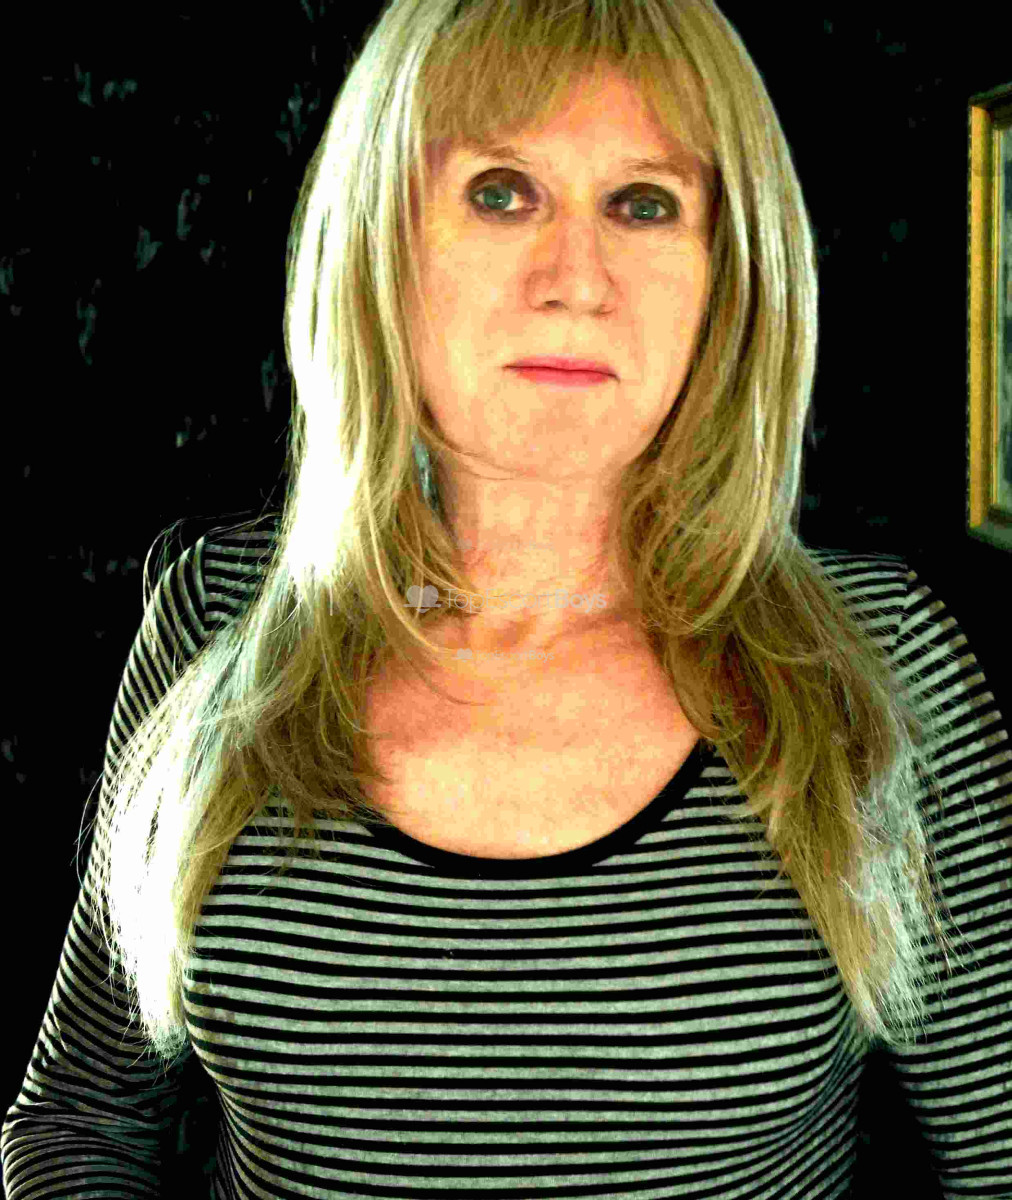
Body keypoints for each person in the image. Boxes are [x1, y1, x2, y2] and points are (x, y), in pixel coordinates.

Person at [4, 0, 1010, 1196]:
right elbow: (81, 1119)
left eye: (645, 204)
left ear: (729, 275)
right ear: (381, 245)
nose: (575, 280)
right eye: (499, 192)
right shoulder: (216, 619)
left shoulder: (874, 662)